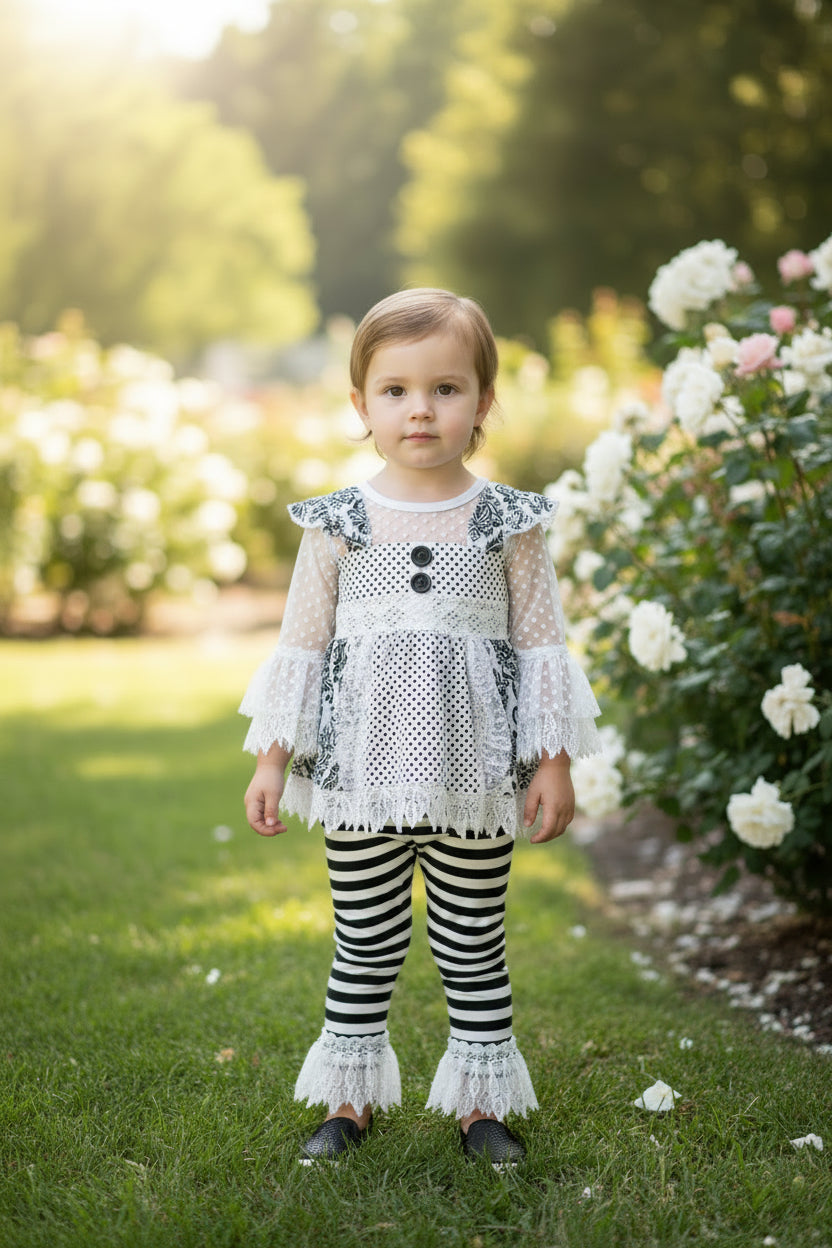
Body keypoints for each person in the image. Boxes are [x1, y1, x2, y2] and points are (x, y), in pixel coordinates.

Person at [240, 288, 602, 1167]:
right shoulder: (338, 522)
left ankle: (481, 1106)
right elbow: (302, 646)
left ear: (482, 401)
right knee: (364, 943)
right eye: (396, 390)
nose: (421, 409)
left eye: (446, 388)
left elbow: (541, 645)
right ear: (361, 405)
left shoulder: (508, 522)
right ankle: (349, 1101)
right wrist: (272, 760)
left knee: (474, 939)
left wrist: (552, 764)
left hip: (474, 785)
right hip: (362, 779)